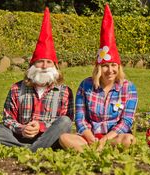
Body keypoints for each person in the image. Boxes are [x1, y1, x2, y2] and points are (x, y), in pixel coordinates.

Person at [0, 8, 74, 152]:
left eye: (48, 62)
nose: (44, 66)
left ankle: (28, 150)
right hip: (18, 137)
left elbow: (64, 121)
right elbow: (7, 118)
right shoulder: (16, 89)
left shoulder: (64, 91)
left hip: (48, 137)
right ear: (32, 65)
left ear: (55, 66)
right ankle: (32, 149)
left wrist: (41, 127)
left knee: (65, 122)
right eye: (40, 62)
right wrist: (22, 128)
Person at [59, 4, 138, 152]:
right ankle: (91, 153)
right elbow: (80, 119)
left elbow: (126, 121)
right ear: (98, 68)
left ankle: (99, 151)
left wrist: (105, 140)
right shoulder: (86, 85)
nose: (110, 70)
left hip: (113, 137)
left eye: (113, 65)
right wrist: (91, 138)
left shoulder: (128, 87)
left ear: (119, 67)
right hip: (90, 137)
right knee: (64, 138)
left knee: (129, 139)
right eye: (105, 66)